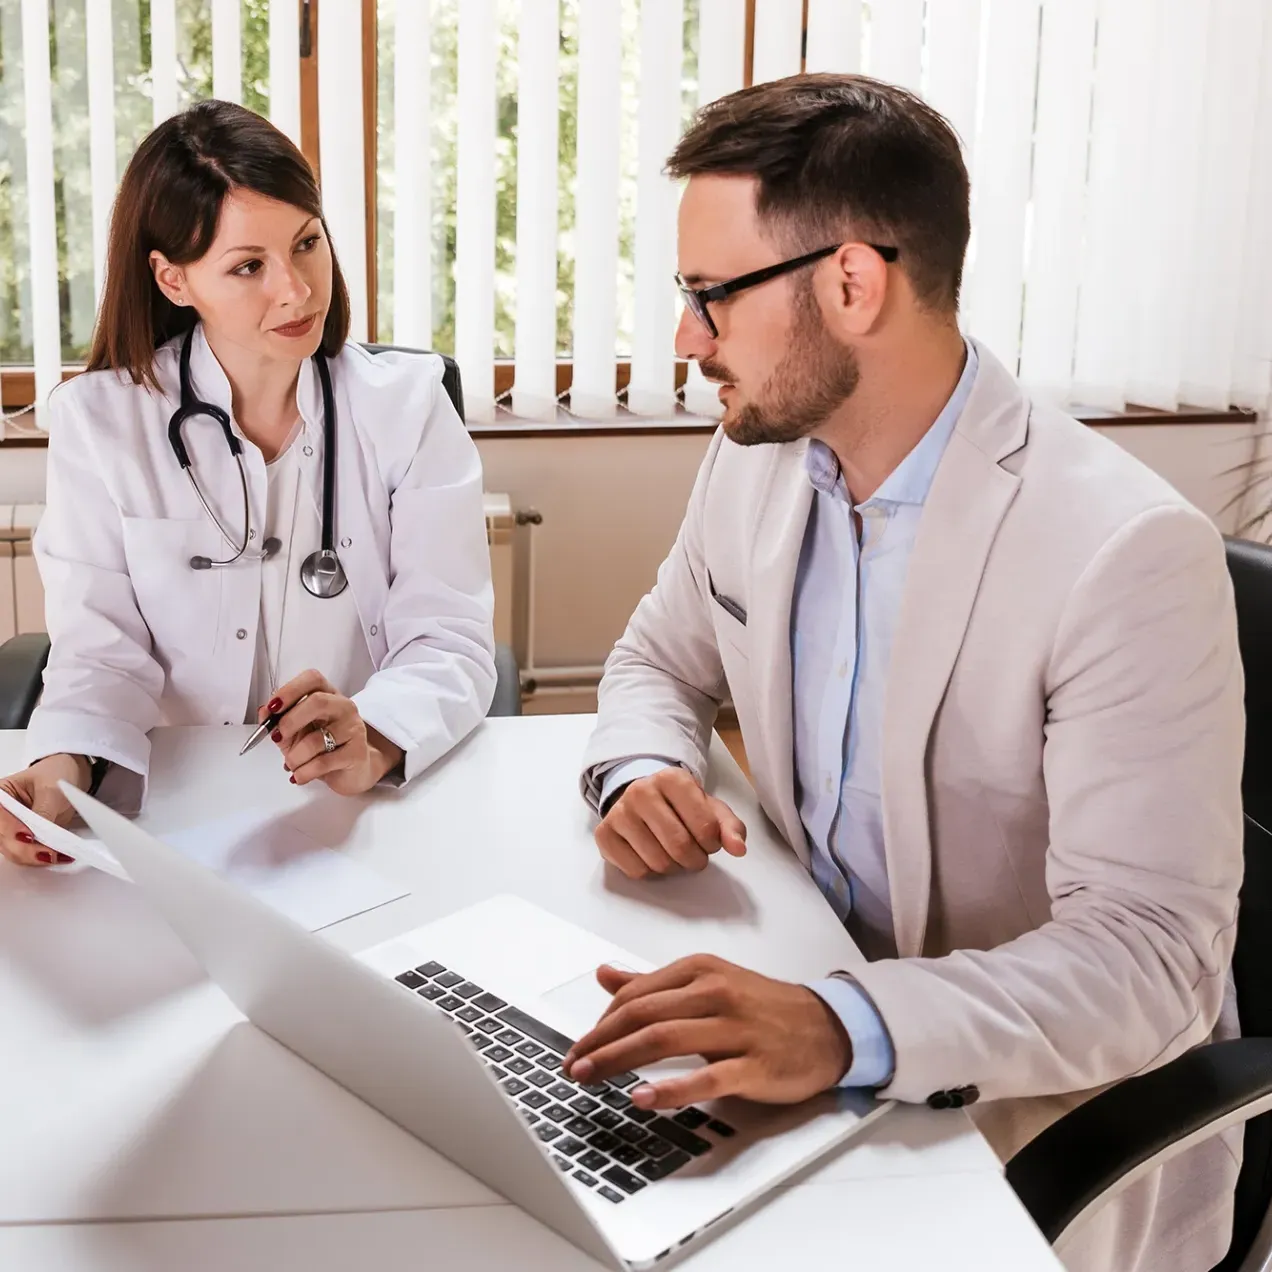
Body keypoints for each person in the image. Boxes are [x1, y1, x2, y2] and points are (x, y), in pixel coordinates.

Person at [571, 75, 1244, 1272]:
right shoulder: (759, 462)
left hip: (1022, 1106)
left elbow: (1152, 959)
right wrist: (638, 771)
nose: (687, 338)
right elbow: (653, 660)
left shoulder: (1126, 554)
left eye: (710, 297)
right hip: (797, 989)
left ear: (851, 283)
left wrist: (842, 1024)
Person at [0, 101, 496, 867]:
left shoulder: (407, 405)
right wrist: (67, 764)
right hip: (169, 817)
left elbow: (449, 639)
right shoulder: (101, 424)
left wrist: (379, 733)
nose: (296, 290)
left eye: (307, 243)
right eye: (248, 266)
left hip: (357, 811)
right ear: (172, 279)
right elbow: (101, 652)